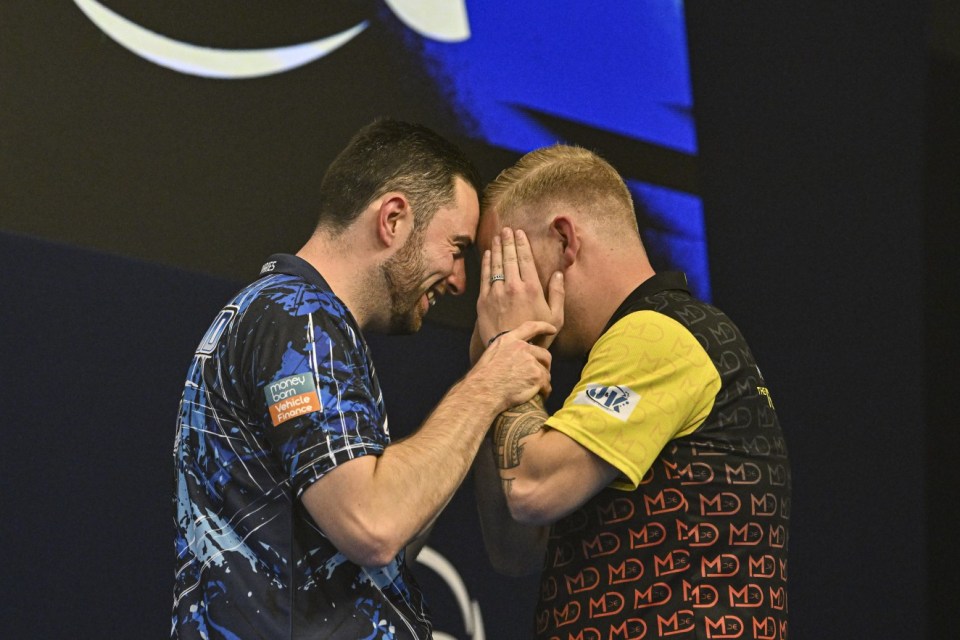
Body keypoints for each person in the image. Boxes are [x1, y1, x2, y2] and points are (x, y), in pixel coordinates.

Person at [172, 119, 555, 639]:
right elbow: (372, 526)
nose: (461, 281)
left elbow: (378, 551)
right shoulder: (299, 318)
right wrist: (486, 386)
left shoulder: (291, 317)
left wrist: (488, 387)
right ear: (393, 218)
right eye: (458, 247)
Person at [472, 144, 791, 639]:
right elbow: (516, 550)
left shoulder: (658, 335)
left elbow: (532, 489)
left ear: (563, 240)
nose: (496, 295)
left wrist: (505, 352)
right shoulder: (625, 353)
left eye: (505, 268)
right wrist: (489, 379)